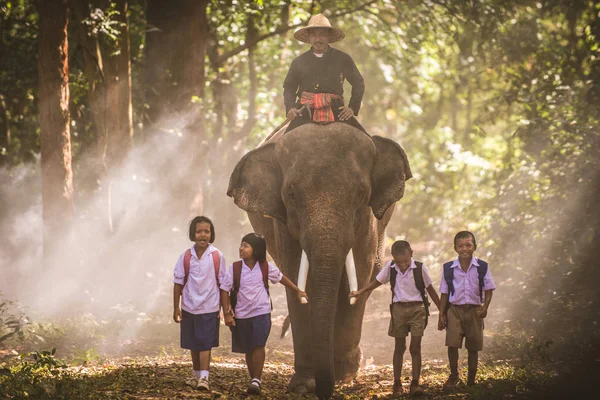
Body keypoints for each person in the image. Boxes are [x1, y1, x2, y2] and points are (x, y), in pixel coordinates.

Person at [219, 233, 308, 395]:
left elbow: (281, 278)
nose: (241, 248)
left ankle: (257, 379)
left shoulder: (266, 267)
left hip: (262, 312)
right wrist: (227, 312)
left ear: (257, 249)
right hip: (241, 315)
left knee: (259, 344)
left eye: (246, 245)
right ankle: (254, 378)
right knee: (248, 348)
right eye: (241, 244)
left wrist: (297, 291)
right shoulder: (235, 268)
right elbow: (224, 289)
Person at [350, 240, 441, 396]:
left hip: (418, 309)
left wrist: (443, 313)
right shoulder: (391, 268)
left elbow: (430, 289)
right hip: (399, 310)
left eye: (406, 261)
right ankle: (397, 384)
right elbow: (376, 282)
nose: (403, 265)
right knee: (399, 347)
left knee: (415, 347)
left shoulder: (419, 268)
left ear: (411, 254)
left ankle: (415, 384)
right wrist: (360, 292)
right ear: (393, 258)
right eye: (399, 262)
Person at [283, 13, 367, 134]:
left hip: (336, 111)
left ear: (328, 37)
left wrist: (352, 108)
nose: (318, 39)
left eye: (322, 35)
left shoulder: (343, 58)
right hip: (304, 111)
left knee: (367, 144)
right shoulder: (298, 62)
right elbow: (289, 88)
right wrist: (291, 108)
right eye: (314, 35)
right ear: (309, 37)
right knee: (282, 147)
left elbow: (358, 83)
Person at [173, 216, 226, 391]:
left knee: (205, 343)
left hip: (209, 306)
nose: (203, 235)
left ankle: (204, 377)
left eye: (207, 231)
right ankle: (196, 374)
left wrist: (226, 309)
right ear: (193, 234)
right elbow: (178, 282)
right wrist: (176, 307)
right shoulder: (186, 257)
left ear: (211, 234)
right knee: (193, 343)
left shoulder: (217, 256)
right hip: (189, 306)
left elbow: (224, 284)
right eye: (199, 231)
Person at [438, 231, 496, 389]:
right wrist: (441, 314)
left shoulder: (481, 267)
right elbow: (444, 292)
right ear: (455, 248)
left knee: (473, 346)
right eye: (460, 246)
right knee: (452, 344)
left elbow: (489, 288)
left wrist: (485, 307)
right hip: (454, 310)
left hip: (474, 310)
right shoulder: (449, 268)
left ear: (475, 247)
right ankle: (454, 375)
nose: (464, 249)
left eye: (468, 245)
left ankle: (471, 379)